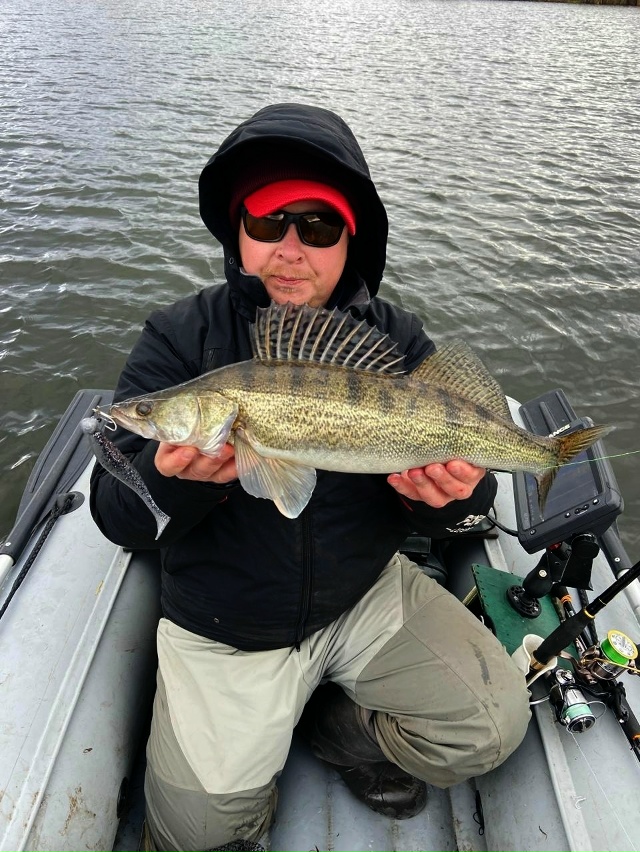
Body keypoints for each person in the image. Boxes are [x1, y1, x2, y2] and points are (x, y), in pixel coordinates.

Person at [90, 103, 530, 852]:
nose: (290, 248)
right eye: (266, 223)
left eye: (319, 227)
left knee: (491, 725)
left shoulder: (397, 339)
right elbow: (117, 516)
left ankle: (337, 730)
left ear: (351, 239)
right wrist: (180, 480)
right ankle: (259, 747)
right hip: (230, 626)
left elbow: (462, 490)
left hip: (363, 594)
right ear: (237, 233)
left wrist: (461, 494)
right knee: (195, 836)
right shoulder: (180, 338)